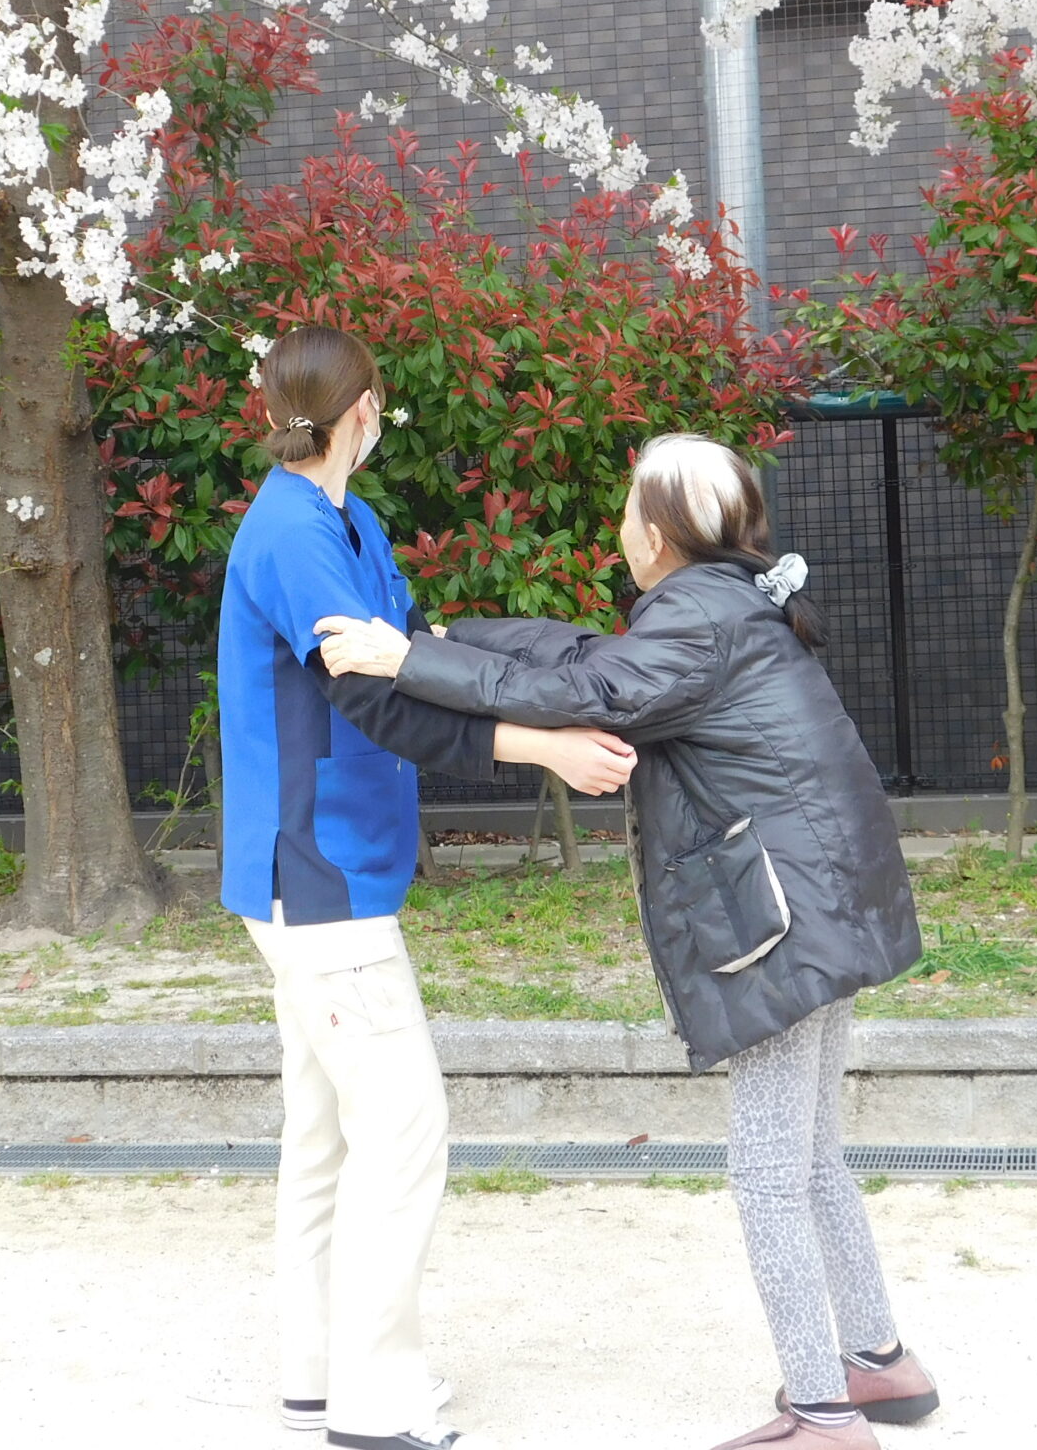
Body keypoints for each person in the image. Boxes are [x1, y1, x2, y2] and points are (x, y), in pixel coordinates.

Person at [316, 433, 934, 1450]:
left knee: (769, 1169)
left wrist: (405, 659)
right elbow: (581, 658)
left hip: (785, 916)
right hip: (829, 900)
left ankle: (823, 1416)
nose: (619, 530)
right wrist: (441, 636)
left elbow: (588, 695)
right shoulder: (724, 603)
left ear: (653, 535)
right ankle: (878, 1366)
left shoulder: (698, 617)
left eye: (624, 515)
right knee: (811, 1153)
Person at [218, 324, 637, 1450]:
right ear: (361, 411)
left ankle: (317, 1382)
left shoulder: (348, 523)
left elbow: (417, 649)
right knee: (404, 1131)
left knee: (327, 1139)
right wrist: (541, 746)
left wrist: (564, 669)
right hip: (317, 878)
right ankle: (374, 1404)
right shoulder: (295, 536)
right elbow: (377, 702)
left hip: (325, 873)